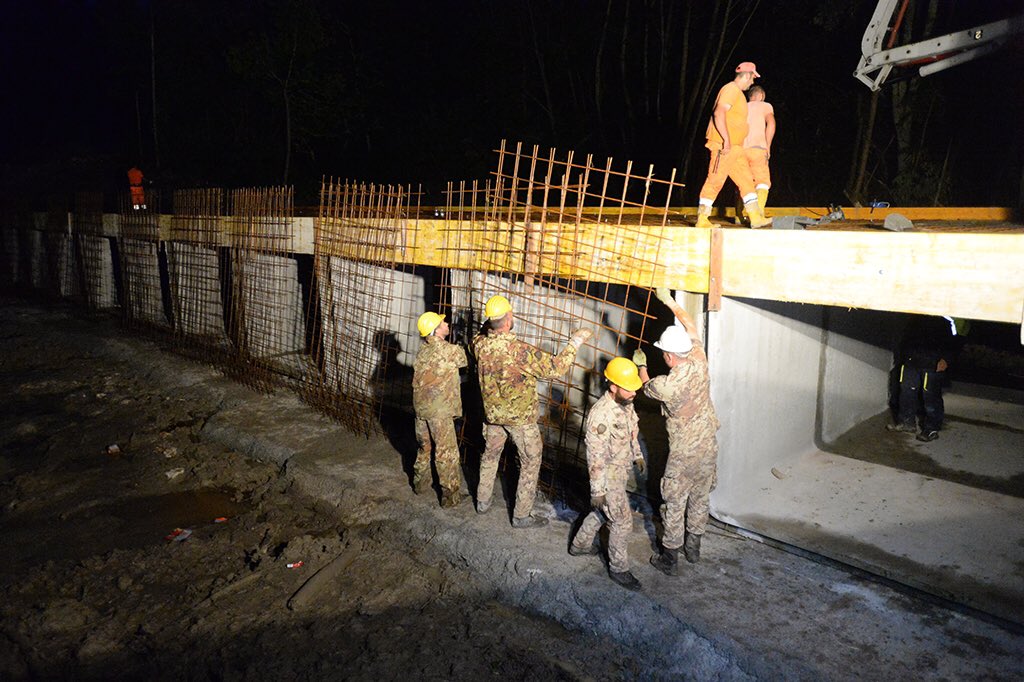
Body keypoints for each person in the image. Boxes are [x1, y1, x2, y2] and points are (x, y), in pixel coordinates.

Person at [473, 294, 592, 528]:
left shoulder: (479, 345)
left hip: (493, 416)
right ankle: (521, 515)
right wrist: (574, 343)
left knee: (489, 456)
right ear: (508, 319)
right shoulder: (520, 352)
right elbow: (556, 368)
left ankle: (482, 501)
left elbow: (480, 336)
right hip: (520, 419)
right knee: (530, 461)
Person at [633, 288, 720, 573]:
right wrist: (670, 302)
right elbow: (691, 326)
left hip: (683, 455)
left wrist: (642, 365)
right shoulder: (700, 361)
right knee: (700, 496)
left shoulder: (666, 385)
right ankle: (693, 546)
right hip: (708, 445)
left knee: (674, 500)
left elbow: (646, 387)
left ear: (669, 356)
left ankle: (670, 557)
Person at [568, 357, 647, 591]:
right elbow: (595, 456)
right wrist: (598, 490)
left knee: (605, 512)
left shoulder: (626, 403)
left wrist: (637, 455)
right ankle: (619, 568)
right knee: (621, 520)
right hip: (607, 476)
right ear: (613, 386)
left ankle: (580, 545)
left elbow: (632, 433)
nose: (634, 392)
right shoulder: (601, 415)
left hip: (620, 471)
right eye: (628, 387)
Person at [695, 62, 770, 229]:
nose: (753, 82)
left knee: (746, 182)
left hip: (736, 148)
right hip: (724, 146)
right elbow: (718, 112)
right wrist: (726, 140)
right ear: (747, 75)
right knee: (715, 180)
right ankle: (702, 218)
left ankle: (755, 217)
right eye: (753, 78)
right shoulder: (730, 89)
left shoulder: (738, 94)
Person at [412, 311, 468, 507]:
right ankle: (450, 497)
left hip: (421, 412)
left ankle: (420, 485)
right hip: (439, 414)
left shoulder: (422, 351)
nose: (446, 324)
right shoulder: (449, 351)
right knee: (446, 454)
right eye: (443, 322)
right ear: (436, 330)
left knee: (424, 448)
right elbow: (465, 359)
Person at [887, 315, 962, 442]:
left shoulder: (945, 321)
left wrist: (946, 360)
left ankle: (932, 429)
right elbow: (905, 338)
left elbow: (954, 343)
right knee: (906, 393)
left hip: (932, 365)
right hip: (910, 363)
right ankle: (907, 423)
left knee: (931, 397)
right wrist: (902, 357)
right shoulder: (914, 317)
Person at [742, 85, 775, 216]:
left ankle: (742, 215)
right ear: (761, 96)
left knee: (743, 181)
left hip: (740, 150)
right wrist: (768, 146)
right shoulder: (765, 106)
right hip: (758, 149)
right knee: (762, 182)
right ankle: (757, 214)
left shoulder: (741, 106)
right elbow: (771, 123)